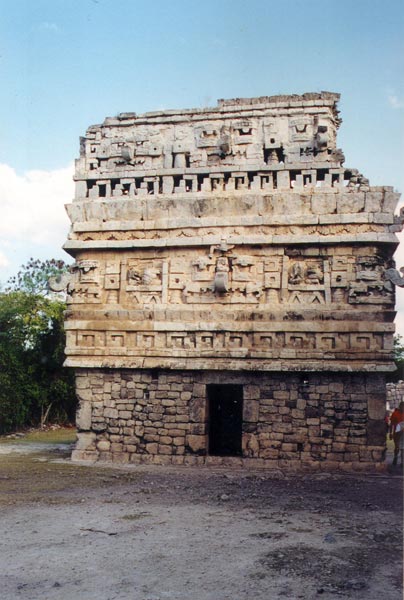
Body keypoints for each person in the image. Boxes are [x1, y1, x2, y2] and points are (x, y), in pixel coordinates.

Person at [389, 401, 404, 466]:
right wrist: (390, 433)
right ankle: (395, 458)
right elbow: (391, 424)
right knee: (397, 447)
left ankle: (402, 462)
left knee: (403, 448)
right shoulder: (395, 413)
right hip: (397, 433)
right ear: (400, 406)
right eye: (402, 406)